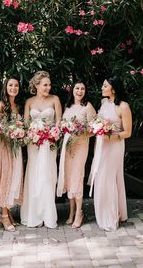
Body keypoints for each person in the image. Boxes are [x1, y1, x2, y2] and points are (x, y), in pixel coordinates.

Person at [88, 76, 132, 231]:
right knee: (100, 177)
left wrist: (110, 135)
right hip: (101, 146)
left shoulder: (123, 106)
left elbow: (127, 132)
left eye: (105, 85)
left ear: (113, 89)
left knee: (109, 178)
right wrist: (97, 128)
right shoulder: (103, 103)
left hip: (115, 147)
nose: (102, 87)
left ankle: (111, 216)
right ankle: (103, 212)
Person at [20, 71, 62, 228]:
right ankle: (34, 214)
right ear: (36, 85)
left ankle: (47, 214)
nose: (48, 87)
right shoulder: (29, 101)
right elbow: (25, 124)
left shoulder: (55, 99)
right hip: (34, 144)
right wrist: (31, 133)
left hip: (49, 143)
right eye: (45, 85)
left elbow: (59, 122)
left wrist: (52, 133)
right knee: (34, 174)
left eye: (49, 85)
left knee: (47, 175)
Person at [0, 77, 23, 232]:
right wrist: (8, 131)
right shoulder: (1, 105)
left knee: (13, 177)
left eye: (16, 85)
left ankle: (5, 212)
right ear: (5, 87)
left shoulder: (17, 106)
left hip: (14, 148)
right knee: (5, 178)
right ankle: (4, 215)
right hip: (3, 147)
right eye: (10, 85)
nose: (13, 88)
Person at [57, 80, 96, 228]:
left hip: (80, 146)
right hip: (68, 147)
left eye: (82, 89)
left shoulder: (88, 107)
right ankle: (71, 212)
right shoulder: (68, 107)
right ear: (72, 90)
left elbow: (94, 129)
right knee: (68, 176)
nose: (79, 91)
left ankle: (79, 212)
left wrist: (80, 132)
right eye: (77, 88)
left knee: (77, 176)